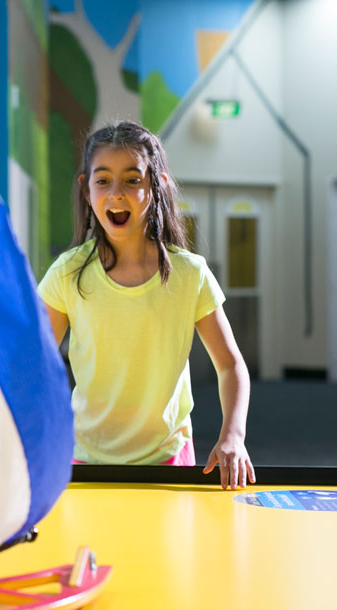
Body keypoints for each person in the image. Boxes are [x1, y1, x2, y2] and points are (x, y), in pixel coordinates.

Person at [38, 120, 255, 489]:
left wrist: (233, 434)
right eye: (103, 180)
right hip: (84, 461)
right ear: (86, 189)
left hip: (168, 461)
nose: (117, 193)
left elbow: (231, 364)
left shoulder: (190, 274)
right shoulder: (68, 272)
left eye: (132, 180)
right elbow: (31, 362)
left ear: (157, 186)